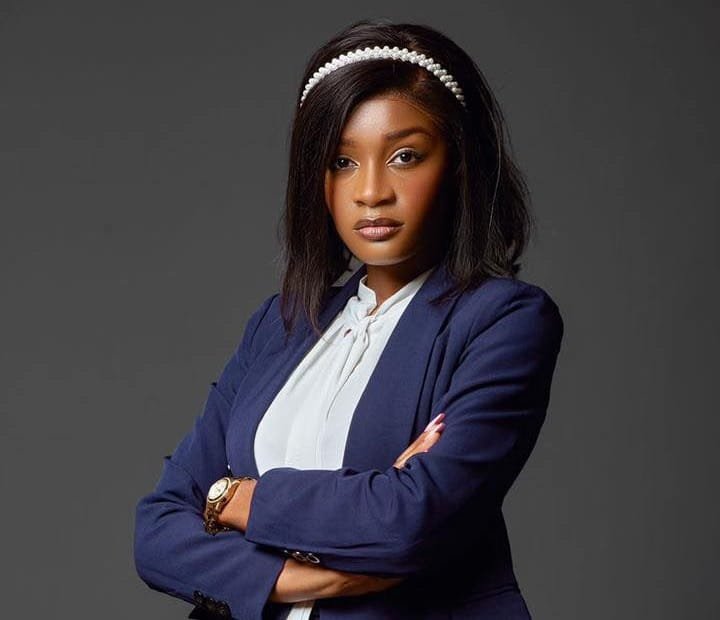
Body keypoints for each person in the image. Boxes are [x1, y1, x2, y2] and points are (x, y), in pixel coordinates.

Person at [134, 18, 564, 620]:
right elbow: (156, 532)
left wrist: (235, 498)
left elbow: (410, 521)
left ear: (459, 164)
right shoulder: (280, 324)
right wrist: (307, 577)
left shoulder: (503, 321)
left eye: (405, 156)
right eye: (342, 161)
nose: (371, 191)